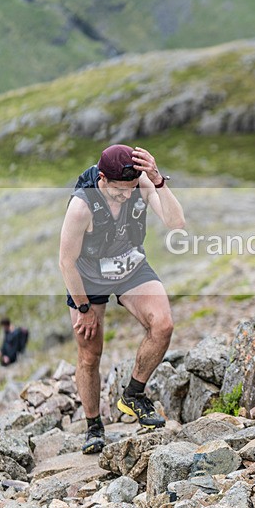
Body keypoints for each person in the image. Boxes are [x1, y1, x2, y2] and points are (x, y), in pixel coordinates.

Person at [59, 144, 185, 454]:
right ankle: (94, 426)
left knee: (163, 325)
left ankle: (133, 394)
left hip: (130, 264)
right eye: (119, 193)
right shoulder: (82, 206)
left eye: (131, 190)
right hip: (88, 276)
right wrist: (85, 308)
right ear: (102, 179)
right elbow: (66, 261)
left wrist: (157, 180)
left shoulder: (139, 183)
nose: (127, 197)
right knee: (90, 353)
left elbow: (176, 223)